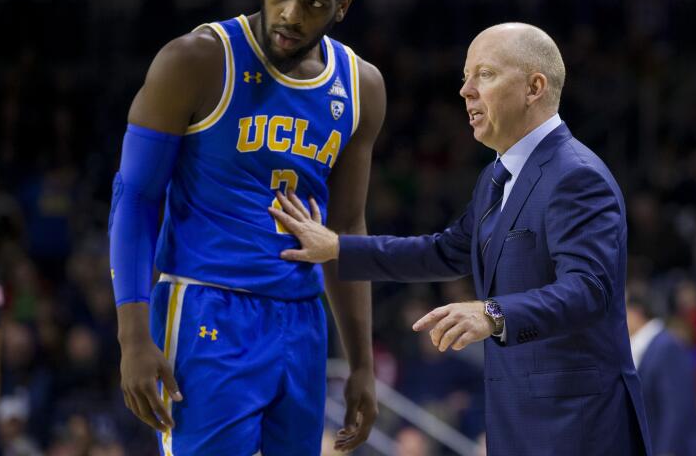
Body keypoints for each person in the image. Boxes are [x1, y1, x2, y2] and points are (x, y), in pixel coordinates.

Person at [272, 22, 652, 455]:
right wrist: (339, 248)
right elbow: (445, 251)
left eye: (485, 75)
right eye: (464, 77)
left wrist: (491, 313)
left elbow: (590, 288)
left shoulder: (577, 175)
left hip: (578, 426)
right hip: (519, 422)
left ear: (534, 87)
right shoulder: (495, 176)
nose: (466, 90)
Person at [108, 0, 384, 455]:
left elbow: (346, 227)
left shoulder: (360, 86)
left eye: (313, 4)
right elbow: (134, 201)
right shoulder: (196, 60)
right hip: (207, 309)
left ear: (341, 8)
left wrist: (362, 364)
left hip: (303, 322)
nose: (290, 14)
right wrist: (133, 336)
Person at [626, 290, 696, 456]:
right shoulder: (646, 346)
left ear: (635, 312)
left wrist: (668, 450)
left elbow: (676, 405)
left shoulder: (667, 346)